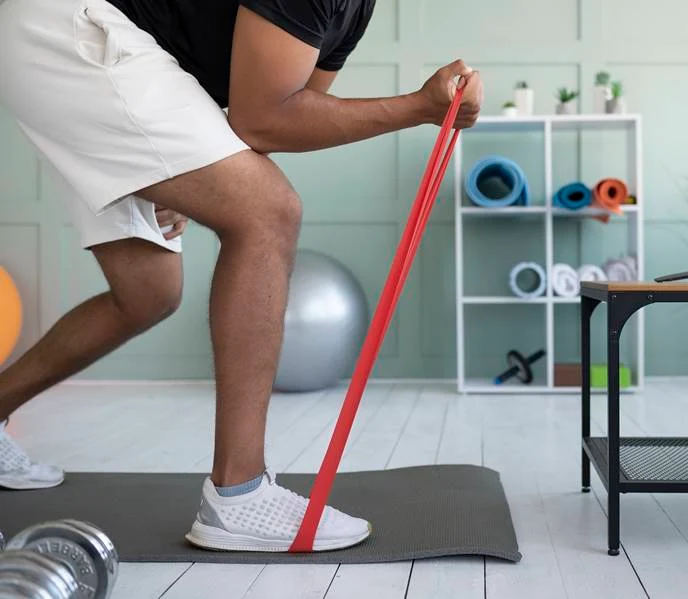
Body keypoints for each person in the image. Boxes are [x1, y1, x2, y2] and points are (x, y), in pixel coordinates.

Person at [0, 0, 482, 552]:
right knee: (268, 211)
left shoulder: (354, 10)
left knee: (148, 294)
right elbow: (262, 120)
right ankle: (238, 496)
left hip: (101, 43)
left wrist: (181, 168)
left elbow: (290, 114)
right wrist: (418, 106)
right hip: (71, 26)